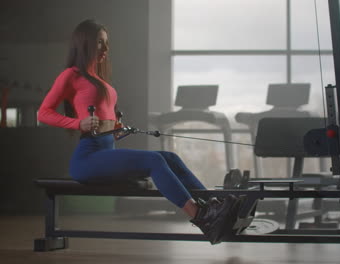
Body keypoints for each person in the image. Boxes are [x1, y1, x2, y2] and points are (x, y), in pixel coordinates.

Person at [37, 19, 241, 245]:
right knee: (154, 160)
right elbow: (43, 113)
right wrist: (78, 124)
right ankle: (203, 218)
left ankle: (214, 205)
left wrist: (114, 127)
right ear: (84, 43)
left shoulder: (98, 79)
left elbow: (104, 117)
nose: (105, 49)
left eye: (106, 43)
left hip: (105, 150)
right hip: (87, 159)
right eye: (99, 43)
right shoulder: (71, 75)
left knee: (170, 157)